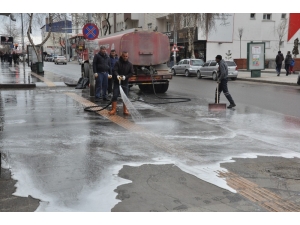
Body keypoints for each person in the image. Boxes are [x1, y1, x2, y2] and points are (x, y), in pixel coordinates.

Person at [108, 51, 134, 116]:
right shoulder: (117, 63)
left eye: (126, 56)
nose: (125, 57)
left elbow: (131, 73)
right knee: (115, 95)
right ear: (121, 56)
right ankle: (113, 109)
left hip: (125, 83)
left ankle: (125, 110)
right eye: (124, 56)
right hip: (117, 82)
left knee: (125, 96)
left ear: (128, 56)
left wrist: (126, 77)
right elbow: (114, 70)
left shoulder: (130, 64)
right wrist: (117, 76)